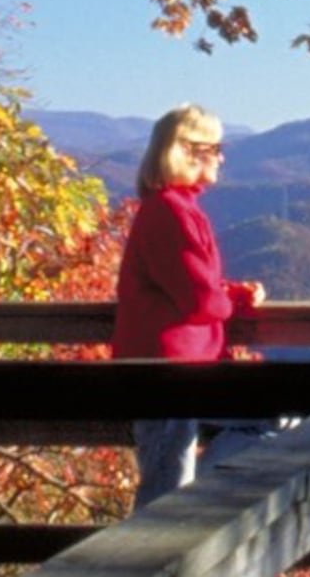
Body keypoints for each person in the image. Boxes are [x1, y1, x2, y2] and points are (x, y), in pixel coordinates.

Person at [111, 104, 264, 501]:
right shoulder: (170, 213)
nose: (222, 156)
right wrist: (229, 301)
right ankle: (153, 546)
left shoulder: (175, 210)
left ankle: (182, 506)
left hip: (179, 372)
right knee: (164, 491)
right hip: (165, 376)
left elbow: (193, 288)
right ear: (189, 150)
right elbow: (200, 301)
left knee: (272, 415)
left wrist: (231, 295)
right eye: (215, 147)